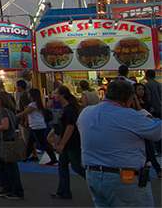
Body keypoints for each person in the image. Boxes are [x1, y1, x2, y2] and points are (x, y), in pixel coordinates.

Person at [77, 79, 162, 207]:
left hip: (93, 174)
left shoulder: (86, 113)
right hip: (124, 177)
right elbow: (157, 131)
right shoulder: (129, 115)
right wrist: (141, 110)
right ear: (129, 99)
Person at [50, 85, 85, 200]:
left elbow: (70, 128)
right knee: (62, 166)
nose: (54, 96)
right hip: (66, 142)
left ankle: (94, 181)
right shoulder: (65, 109)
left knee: (76, 166)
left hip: (71, 142)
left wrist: (62, 143)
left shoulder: (70, 109)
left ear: (62, 95)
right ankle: (63, 191)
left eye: (56, 94)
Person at [0, 91, 24, 200]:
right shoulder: (10, 110)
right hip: (8, 139)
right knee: (5, 165)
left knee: (8, 165)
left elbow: (5, 126)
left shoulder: (4, 111)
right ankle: (8, 188)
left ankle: (15, 190)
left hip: (6, 140)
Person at [17, 88, 57, 165]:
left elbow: (25, 112)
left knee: (42, 143)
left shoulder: (32, 105)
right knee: (30, 142)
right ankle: (26, 157)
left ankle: (53, 158)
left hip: (37, 126)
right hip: (37, 125)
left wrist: (14, 116)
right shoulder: (38, 104)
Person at [132, 83, 161, 176]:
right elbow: (140, 111)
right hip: (141, 127)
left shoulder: (146, 100)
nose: (141, 91)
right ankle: (154, 168)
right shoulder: (134, 103)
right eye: (139, 89)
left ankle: (155, 168)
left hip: (148, 126)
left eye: (142, 89)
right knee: (147, 149)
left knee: (150, 149)